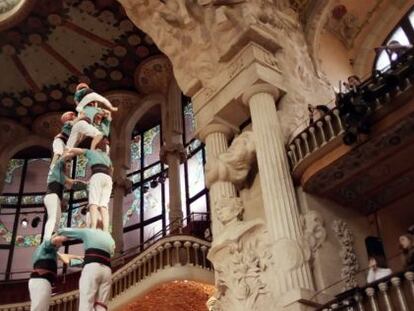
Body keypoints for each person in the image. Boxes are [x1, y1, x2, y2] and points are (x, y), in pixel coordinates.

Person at [57, 226, 115, 311]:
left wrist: (57, 232)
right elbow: (109, 254)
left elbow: (66, 231)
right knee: (101, 305)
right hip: (107, 270)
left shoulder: (89, 231)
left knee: (86, 302)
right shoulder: (110, 239)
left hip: (92, 268)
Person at [64, 141, 113, 232]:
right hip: (108, 179)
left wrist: (68, 149)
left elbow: (80, 151)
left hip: (97, 177)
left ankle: (94, 228)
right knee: (104, 206)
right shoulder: (106, 157)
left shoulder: (93, 152)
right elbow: (111, 169)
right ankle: (106, 230)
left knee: (93, 204)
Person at [43, 158, 85, 239]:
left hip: (53, 196)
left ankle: (50, 238)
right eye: (68, 165)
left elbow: (69, 184)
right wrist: (86, 184)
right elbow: (71, 183)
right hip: (52, 196)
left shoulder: (58, 175)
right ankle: (48, 239)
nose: (69, 167)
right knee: (54, 220)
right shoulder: (56, 173)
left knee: (55, 220)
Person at [28, 235, 66, 311]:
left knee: (41, 307)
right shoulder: (44, 246)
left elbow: (67, 259)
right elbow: (49, 243)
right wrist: (57, 239)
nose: (61, 245)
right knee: (39, 308)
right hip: (41, 279)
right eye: (61, 243)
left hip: (42, 280)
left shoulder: (52, 253)